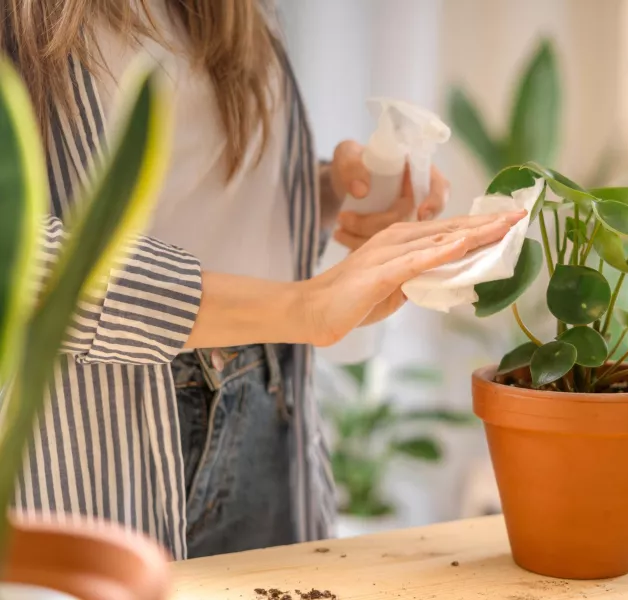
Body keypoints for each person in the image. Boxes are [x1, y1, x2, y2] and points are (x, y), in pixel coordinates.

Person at [0, 0, 523, 560]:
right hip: (99, 439)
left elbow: (200, 183)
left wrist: (328, 193)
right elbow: (20, 259)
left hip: (268, 404)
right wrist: (305, 306)